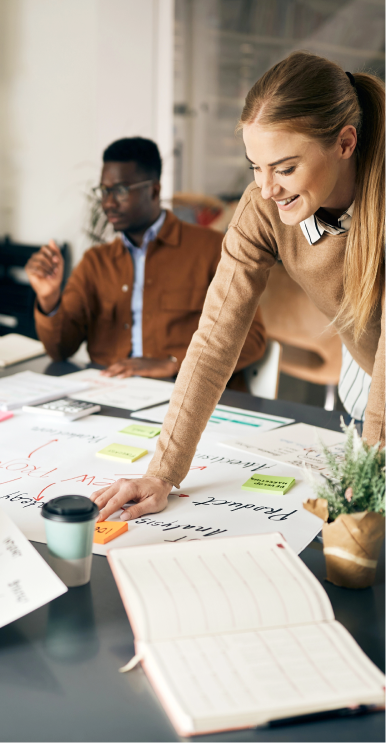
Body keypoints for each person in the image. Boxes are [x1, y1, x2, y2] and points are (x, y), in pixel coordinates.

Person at [93, 51, 386, 522]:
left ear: (345, 143)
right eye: (256, 166)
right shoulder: (263, 207)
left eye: (285, 168)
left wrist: (372, 475)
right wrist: (163, 472)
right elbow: (216, 337)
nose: (267, 188)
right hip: (368, 368)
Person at [25, 137, 266, 380]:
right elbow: (59, 350)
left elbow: (252, 337)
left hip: (185, 394)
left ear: (154, 190)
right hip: (111, 394)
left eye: (119, 191)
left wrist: (175, 363)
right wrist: (49, 298)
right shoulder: (95, 262)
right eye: (104, 191)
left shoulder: (212, 249)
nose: (108, 203)